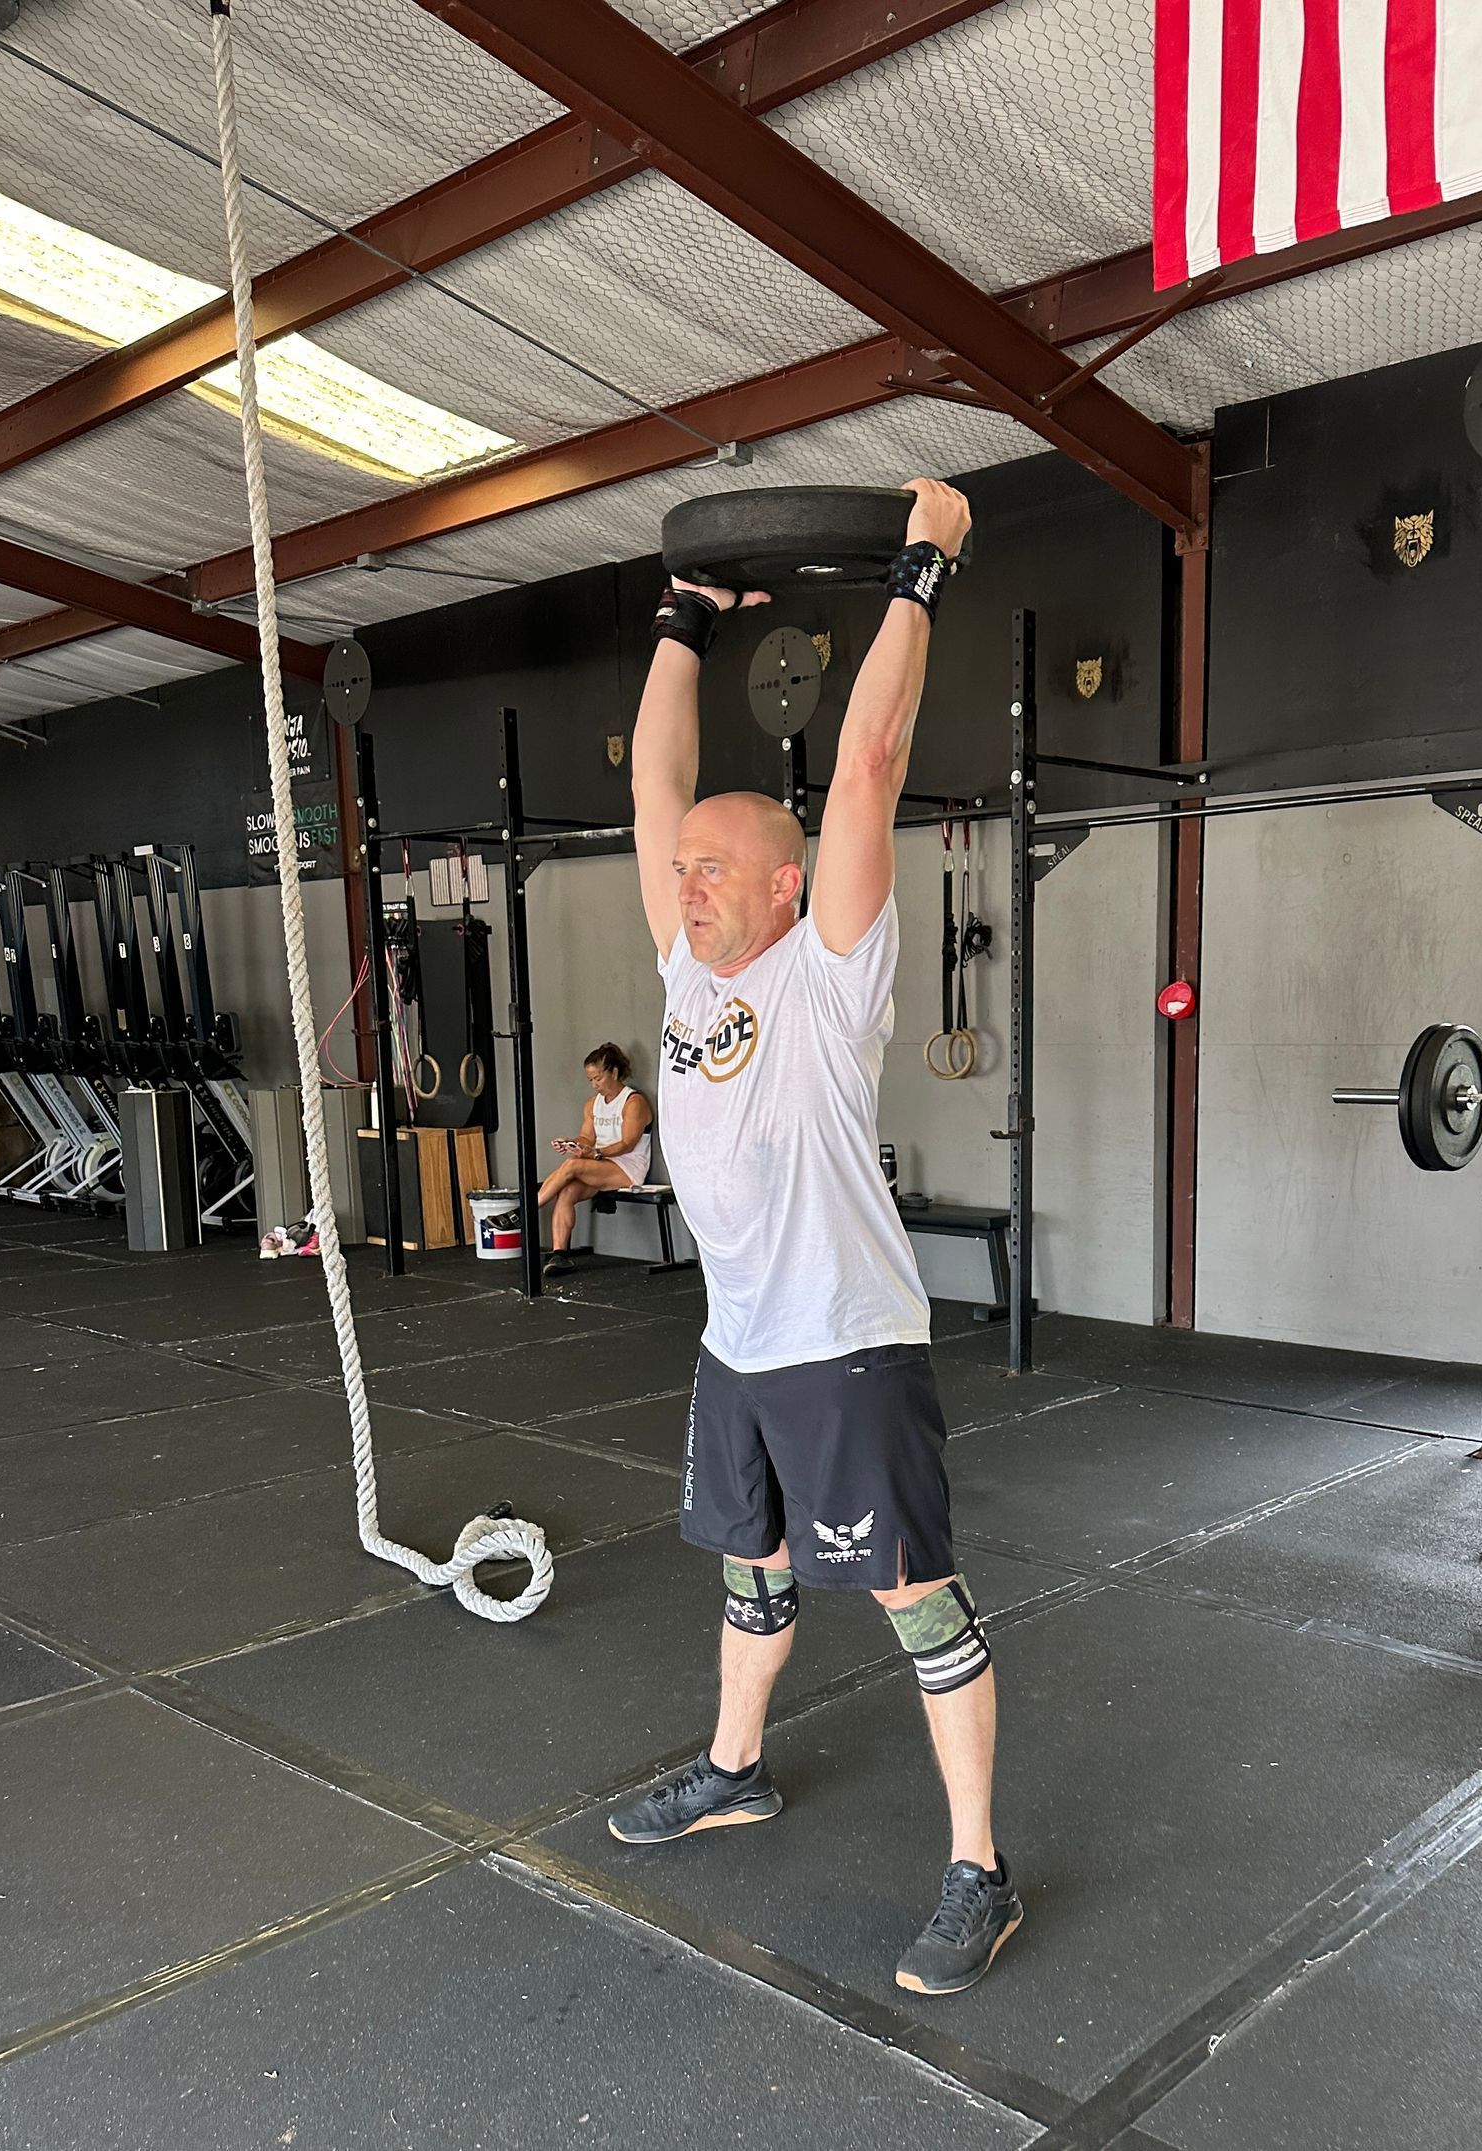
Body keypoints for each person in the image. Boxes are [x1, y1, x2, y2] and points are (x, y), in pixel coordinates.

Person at [609, 479, 1019, 1998]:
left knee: (914, 1600)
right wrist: (682, 622)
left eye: (716, 869)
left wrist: (921, 568)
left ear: (788, 885)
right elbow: (657, 785)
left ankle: (979, 1864)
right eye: (684, 873)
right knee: (751, 1573)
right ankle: (735, 1765)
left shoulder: (827, 974)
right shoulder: (689, 980)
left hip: (849, 1344)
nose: (687, 881)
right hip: (740, 1344)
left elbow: (867, 761)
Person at [538, 1044, 652, 1273]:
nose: (594, 1085)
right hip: (599, 1164)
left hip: (627, 1167)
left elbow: (627, 1143)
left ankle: (526, 1211)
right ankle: (560, 1255)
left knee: (572, 1166)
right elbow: (586, 1138)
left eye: (598, 1078)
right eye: (590, 1080)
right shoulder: (592, 1104)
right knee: (567, 1191)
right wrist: (573, 1143)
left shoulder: (633, 1102)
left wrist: (595, 1154)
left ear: (615, 1073)